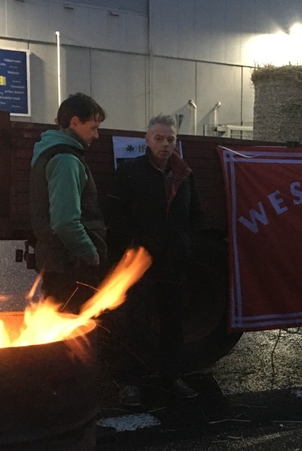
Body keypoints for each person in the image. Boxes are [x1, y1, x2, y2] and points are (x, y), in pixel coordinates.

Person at [107, 113, 202, 406]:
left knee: (173, 323)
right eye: (159, 138)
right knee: (135, 322)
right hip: (140, 264)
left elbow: (195, 216)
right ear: (146, 140)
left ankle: (171, 377)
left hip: (174, 262)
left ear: (177, 141)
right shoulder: (130, 172)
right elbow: (114, 215)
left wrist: (188, 248)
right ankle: (129, 382)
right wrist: (131, 251)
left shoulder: (185, 175)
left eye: (170, 139)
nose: (165, 144)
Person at [30, 93, 108, 313]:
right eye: (93, 127)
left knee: (56, 328)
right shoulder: (66, 160)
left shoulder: (49, 150)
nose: (97, 135)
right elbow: (65, 223)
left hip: (57, 261)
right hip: (71, 266)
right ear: (74, 122)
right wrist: (90, 253)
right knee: (73, 334)